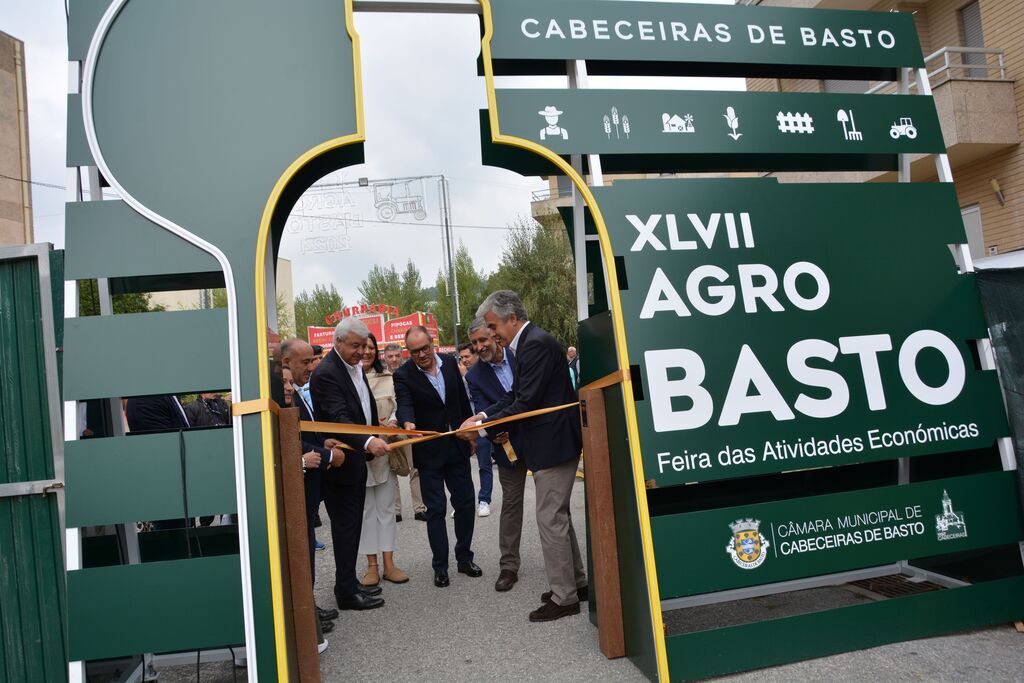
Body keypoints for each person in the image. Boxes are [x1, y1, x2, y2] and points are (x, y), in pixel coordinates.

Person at [461, 290, 586, 622]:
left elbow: (525, 402)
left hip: (554, 445)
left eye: (493, 325)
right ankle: (576, 582)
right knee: (558, 517)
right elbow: (517, 395)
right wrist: (483, 418)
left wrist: (482, 429)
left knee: (550, 520)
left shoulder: (535, 344)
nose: (492, 333)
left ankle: (565, 597)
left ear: (511, 318)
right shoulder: (529, 343)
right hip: (548, 444)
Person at [310, 317, 389, 611]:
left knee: (353, 526)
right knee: (345, 529)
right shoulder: (328, 373)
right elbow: (338, 418)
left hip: (357, 461)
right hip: (341, 464)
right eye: (355, 346)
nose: (361, 352)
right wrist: (368, 441)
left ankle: (349, 582)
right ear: (338, 341)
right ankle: (344, 591)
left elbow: (360, 409)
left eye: (364, 346)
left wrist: (374, 428)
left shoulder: (354, 368)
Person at [394, 325, 482, 588]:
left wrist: (471, 434)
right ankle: (440, 566)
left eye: (425, 348)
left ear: (433, 344)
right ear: (407, 352)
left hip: (456, 447)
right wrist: (408, 424)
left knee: (466, 504)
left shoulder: (449, 363)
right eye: (414, 351)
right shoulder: (403, 375)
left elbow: (461, 403)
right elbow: (404, 404)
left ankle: (464, 558)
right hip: (429, 452)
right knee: (436, 511)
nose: (421, 355)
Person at [281, 337, 346, 633]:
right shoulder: (281, 393)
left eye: (312, 360)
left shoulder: (295, 390)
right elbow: (285, 440)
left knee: (307, 549)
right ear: (286, 363)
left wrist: (322, 442)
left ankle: (310, 606)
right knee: (301, 550)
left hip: (309, 485)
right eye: (304, 362)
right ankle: (306, 613)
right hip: (298, 487)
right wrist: (328, 454)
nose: (311, 367)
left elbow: (303, 432)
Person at [465, 318, 526, 592]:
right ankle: (508, 566)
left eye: (483, 340)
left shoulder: (520, 353)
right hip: (506, 444)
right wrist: (492, 433)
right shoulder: (474, 376)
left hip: (541, 440)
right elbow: (484, 410)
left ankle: (573, 570)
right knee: (511, 506)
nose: (479, 347)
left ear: (494, 335)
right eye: (475, 343)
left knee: (553, 507)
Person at [359, 332, 410, 586]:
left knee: (387, 510)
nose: (366, 352)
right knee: (367, 512)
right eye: (361, 346)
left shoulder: (389, 378)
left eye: (370, 347)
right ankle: (372, 565)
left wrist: (391, 424)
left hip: (386, 452)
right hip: (359, 454)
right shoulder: (347, 379)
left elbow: (400, 406)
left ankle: (389, 563)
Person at [384, 344, 426, 522]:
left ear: (402, 356)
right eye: (390, 356)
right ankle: (395, 511)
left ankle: (419, 508)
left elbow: (405, 403)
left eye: (396, 355)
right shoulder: (380, 377)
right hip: (385, 428)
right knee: (391, 468)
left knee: (415, 467)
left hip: (408, 425)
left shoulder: (411, 373)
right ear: (384, 357)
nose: (394, 359)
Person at [459, 341, 493, 518]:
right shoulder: (461, 376)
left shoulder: (483, 373)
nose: (464, 360)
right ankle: (463, 502)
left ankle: (484, 500)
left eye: (467, 356)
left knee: (484, 465)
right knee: (462, 467)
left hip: (483, 426)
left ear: (476, 356)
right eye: (461, 357)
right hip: (465, 427)